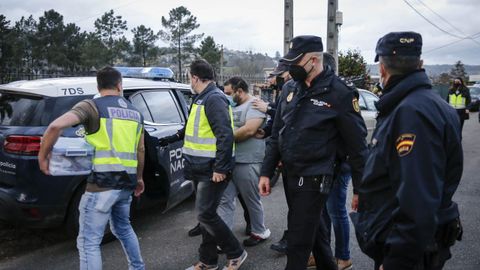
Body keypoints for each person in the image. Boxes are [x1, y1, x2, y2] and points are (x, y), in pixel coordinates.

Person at [352, 32, 463, 270]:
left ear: (382, 69)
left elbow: (417, 200)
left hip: (410, 251)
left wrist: (397, 261)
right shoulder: (429, 105)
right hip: (417, 243)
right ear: (420, 64)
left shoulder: (411, 113)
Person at [258, 35, 368, 270]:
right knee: (317, 236)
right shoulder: (290, 88)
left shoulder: (340, 93)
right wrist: (266, 171)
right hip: (290, 174)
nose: (291, 67)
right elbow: (278, 132)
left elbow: (357, 145)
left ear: (314, 60)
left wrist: (360, 188)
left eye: (296, 62)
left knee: (297, 243)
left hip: (316, 176)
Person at [38, 66, 146, 270]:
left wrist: (42, 156)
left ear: (98, 85)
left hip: (101, 186)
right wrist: (139, 179)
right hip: (126, 184)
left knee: (88, 242)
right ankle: (138, 268)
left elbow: (55, 126)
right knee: (124, 228)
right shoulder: (135, 112)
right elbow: (140, 150)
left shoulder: (91, 106)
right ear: (119, 85)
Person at [182, 59, 247, 270]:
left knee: (205, 214)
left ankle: (236, 252)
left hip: (213, 169)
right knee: (207, 215)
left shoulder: (213, 98)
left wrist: (220, 168)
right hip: (201, 167)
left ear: (194, 77)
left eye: (189, 77)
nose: (189, 80)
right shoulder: (201, 97)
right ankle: (208, 261)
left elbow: (225, 136)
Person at [217, 76, 271, 247]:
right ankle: (223, 237)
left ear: (239, 91)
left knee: (251, 199)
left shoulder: (254, 104)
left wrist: (225, 138)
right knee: (225, 200)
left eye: (228, 93)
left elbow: (249, 130)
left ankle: (259, 231)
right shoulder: (228, 106)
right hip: (230, 161)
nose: (225, 96)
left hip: (248, 161)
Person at [321, 52, 354, 270]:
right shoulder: (318, 92)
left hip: (339, 165)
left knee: (336, 211)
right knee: (323, 213)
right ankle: (322, 254)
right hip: (322, 165)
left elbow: (354, 137)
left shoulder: (342, 93)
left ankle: (343, 257)